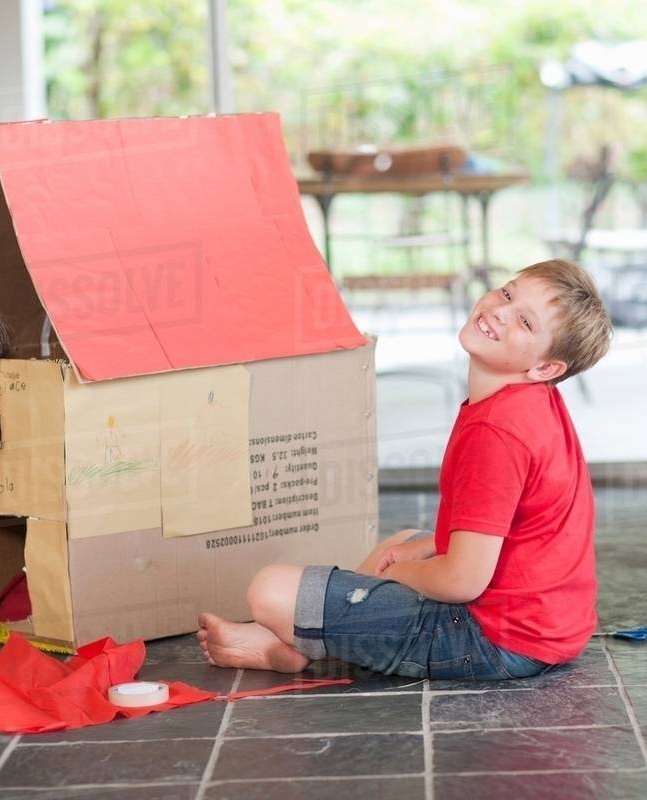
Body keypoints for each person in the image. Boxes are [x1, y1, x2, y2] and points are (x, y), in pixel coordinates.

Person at [198, 259, 613, 679]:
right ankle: (296, 640)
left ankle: (293, 636)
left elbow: (462, 582)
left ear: (545, 368)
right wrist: (424, 551)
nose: (500, 311)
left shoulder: (498, 430)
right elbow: (510, 526)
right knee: (404, 540)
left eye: (524, 322)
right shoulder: (528, 401)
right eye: (507, 293)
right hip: (548, 628)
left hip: (491, 641)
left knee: (270, 590)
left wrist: (401, 574)